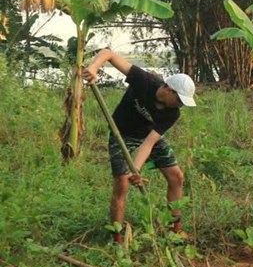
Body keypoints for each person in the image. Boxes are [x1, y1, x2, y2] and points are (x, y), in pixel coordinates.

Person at [82, 49, 195, 243]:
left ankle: (174, 229)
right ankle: (117, 238)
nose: (180, 105)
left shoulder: (173, 113)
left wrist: (137, 169)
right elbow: (108, 54)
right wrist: (93, 68)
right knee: (122, 183)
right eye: (179, 100)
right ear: (169, 89)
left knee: (177, 176)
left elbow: (149, 142)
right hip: (122, 134)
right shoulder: (145, 81)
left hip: (147, 136)